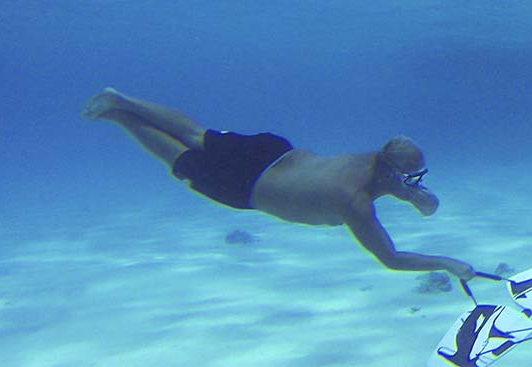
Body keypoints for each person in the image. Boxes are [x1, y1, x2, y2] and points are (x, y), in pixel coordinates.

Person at [81, 87, 478, 280]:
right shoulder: (353, 200)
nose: (416, 184)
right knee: (179, 157)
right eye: (413, 178)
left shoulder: (374, 160)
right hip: (247, 186)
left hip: (272, 151)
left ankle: (124, 100)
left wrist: (416, 197)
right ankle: (121, 117)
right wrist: (445, 262)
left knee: (195, 134)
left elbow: (401, 186)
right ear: (393, 169)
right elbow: (390, 259)